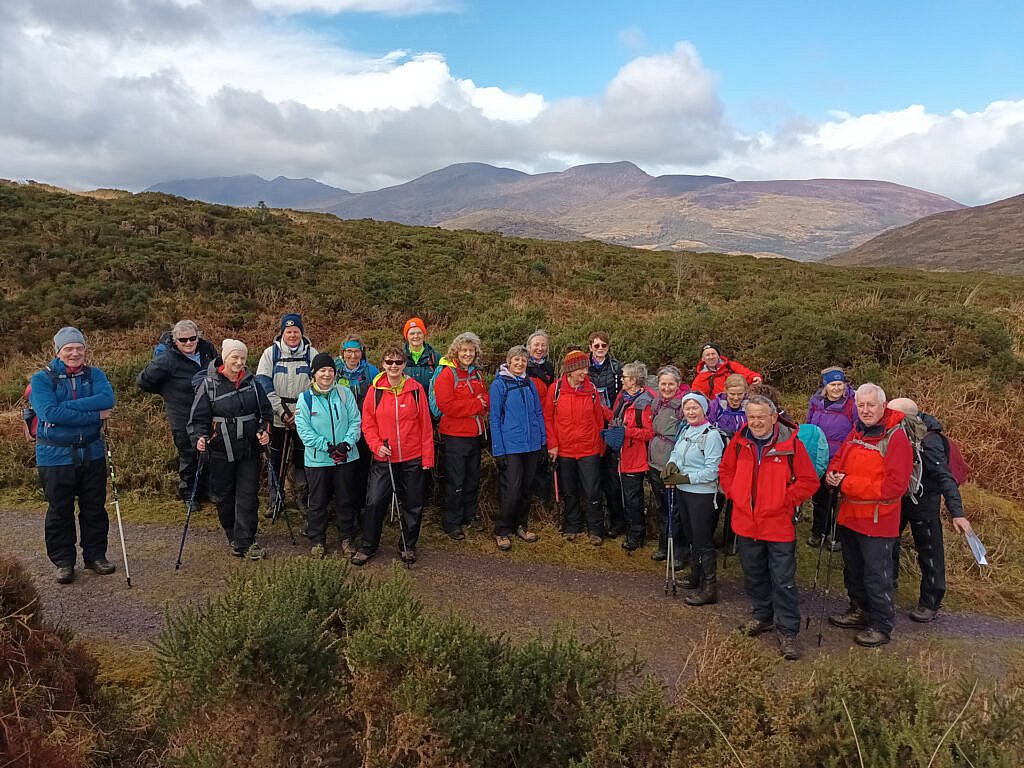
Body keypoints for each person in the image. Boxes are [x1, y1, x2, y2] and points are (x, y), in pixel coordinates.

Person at [719, 395, 820, 660]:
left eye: (761, 417)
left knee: (783, 580)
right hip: (745, 522)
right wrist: (735, 494)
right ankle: (762, 616)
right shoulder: (739, 442)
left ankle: (788, 631)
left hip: (778, 525)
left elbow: (809, 481)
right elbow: (725, 471)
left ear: (773, 417)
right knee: (754, 575)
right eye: (751, 417)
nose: (756, 422)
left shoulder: (790, 445)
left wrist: (783, 500)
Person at [825, 383, 913, 648]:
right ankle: (859, 611)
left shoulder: (896, 438)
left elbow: (894, 487)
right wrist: (832, 474)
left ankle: (881, 625)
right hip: (850, 516)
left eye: (871, 405)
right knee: (853, 571)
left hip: (878, 521)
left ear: (883, 405)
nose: (865, 410)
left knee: (877, 575)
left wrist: (846, 483)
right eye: (861, 405)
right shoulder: (856, 431)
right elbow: (840, 459)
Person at [31, 327, 116, 584]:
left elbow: (107, 399)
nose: (75, 353)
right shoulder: (41, 379)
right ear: (58, 351)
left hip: (92, 452)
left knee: (94, 507)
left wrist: (65, 407)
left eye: (79, 348)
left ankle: (95, 556)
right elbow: (50, 414)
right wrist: (93, 414)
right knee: (59, 510)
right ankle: (64, 562)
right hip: (54, 455)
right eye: (68, 348)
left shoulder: (95, 374)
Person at [887, 397, 974, 623]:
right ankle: (888, 585)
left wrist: (957, 513)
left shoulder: (929, 441)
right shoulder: (897, 432)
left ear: (905, 417)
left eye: (891, 414)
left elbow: (946, 478)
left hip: (925, 501)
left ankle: (930, 602)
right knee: (889, 541)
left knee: (929, 550)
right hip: (900, 496)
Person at [189, 339, 272, 560]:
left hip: (249, 449)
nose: (239, 362)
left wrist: (264, 430)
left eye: (242, 358)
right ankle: (232, 532)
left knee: (248, 495)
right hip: (220, 449)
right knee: (224, 495)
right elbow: (198, 419)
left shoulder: (253, 384)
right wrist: (199, 437)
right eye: (235, 357)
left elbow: (265, 413)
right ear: (225, 358)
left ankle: (245, 541)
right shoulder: (209, 385)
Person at [355, 344, 434, 565]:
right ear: (383, 364)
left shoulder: (416, 389)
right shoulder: (375, 390)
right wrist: (376, 445)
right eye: (389, 362)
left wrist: (427, 458)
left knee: (413, 504)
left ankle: (407, 545)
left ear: (404, 365)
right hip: (384, 457)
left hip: (412, 457)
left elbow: (426, 426)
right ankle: (368, 546)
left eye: (398, 362)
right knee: (374, 502)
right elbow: (367, 424)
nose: (393, 366)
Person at [136, 319, 217, 508]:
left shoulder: (208, 349)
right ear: (175, 340)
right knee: (188, 453)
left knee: (211, 449)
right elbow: (143, 381)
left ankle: (209, 490)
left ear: (198, 336)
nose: (189, 343)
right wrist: (167, 391)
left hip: (208, 410)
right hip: (182, 413)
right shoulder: (167, 359)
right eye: (183, 340)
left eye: (192, 338)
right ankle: (189, 494)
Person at [295, 353, 362, 558]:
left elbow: (356, 421)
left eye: (330, 370)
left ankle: (347, 538)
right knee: (317, 502)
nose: (327, 374)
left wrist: (346, 444)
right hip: (318, 460)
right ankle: (317, 540)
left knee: (345, 500)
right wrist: (327, 447)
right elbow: (304, 430)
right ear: (314, 374)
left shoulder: (344, 393)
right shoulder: (305, 399)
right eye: (322, 370)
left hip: (346, 457)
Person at [661, 392, 724, 606]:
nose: (690, 411)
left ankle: (709, 588)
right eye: (687, 408)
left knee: (703, 540)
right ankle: (696, 576)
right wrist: (672, 463)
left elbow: (712, 471)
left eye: (695, 407)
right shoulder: (687, 430)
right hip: (684, 491)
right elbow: (678, 454)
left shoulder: (712, 435)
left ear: (704, 409)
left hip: (703, 495)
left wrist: (686, 477)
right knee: (691, 536)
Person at [545, 349, 611, 545]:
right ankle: (572, 526)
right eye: (581, 368)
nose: (585, 372)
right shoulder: (555, 390)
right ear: (570, 370)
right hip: (564, 450)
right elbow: (548, 418)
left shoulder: (592, 391)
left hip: (588, 449)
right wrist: (553, 444)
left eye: (586, 368)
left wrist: (600, 446)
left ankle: (595, 530)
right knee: (570, 490)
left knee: (592, 491)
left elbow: (599, 420)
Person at [256, 313, 317, 513]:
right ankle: (275, 499)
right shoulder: (270, 353)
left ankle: (302, 498)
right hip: (277, 417)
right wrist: (282, 411)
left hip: (304, 418)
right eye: (288, 331)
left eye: (296, 331)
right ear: (282, 332)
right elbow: (263, 383)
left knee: (302, 458)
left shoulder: (311, 354)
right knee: (276, 458)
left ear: (301, 332)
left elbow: (318, 384)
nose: (292, 335)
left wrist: (299, 412)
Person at [433, 332, 489, 540]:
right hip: (455, 436)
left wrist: (480, 403)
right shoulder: (447, 375)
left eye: (471, 350)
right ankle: (452, 522)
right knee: (455, 480)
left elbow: (486, 397)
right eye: (464, 350)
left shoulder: (476, 374)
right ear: (456, 351)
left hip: (475, 434)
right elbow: (446, 406)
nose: (467, 354)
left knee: (472, 478)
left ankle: (469, 516)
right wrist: (476, 404)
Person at [489, 345, 545, 551]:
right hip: (511, 445)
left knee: (526, 488)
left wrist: (543, 441)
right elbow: (494, 419)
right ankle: (502, 530)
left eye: (523, 360)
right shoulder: (499, 384)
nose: (520, 364)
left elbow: (538, 413)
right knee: (512, 488)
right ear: (509, 362)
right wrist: (498, 450)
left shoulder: (529, 383)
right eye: (516, 360)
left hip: (532, 444)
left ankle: (521, 525)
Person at [806, 367, 857, 550]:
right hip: (819, 457)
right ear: (825, 386)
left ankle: (837, 536)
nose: (836, 388)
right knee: (819, 497)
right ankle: (819, 531)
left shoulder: (852, 404)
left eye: (839, 384)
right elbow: (810, 427)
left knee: (838, 499)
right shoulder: (816, 402)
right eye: (832, 384)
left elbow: (857, 430)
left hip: (841, 457)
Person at [610, 361, 655, 551]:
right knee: (623, 496)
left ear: (635, 380)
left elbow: (648, 433)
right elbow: (614, 417)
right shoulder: (623, 397)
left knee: (633, 499)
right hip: (620, 454)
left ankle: (636, 535)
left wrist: (626, 431)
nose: (621, 380)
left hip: (635, 457)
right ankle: (627, 530)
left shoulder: (643, 403)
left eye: (625, 377)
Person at [647, 366, 690, 564]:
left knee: (676, 509)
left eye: (670, 384)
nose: (666, 387)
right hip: (655, 460)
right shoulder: (656, 402)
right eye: (663, 383)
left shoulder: (683, 406)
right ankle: (664, 546)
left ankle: (680, 552)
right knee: (662, 507)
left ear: (678, 384)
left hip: (672, 462)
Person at [334, 333, 379, 511]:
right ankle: (341, 508)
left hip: (364, 430)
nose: (353, 356)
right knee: (342, 472)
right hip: (340, 430)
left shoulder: (371, 372)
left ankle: (360, 508)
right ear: (343, 352)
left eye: (357, 352)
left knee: (361, 471)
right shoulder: (335, 371)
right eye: (349, 352)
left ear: (362, 352)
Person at [587, 331, 625, 537]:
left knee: (612, 477)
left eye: (604, 345)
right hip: (591, 425)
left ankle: (617, 521)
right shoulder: (584, 368)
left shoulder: (617, 368)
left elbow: (622, 395)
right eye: (596, 346)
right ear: (590, 347)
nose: (600, 349)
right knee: (592, 476)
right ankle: (593, 521)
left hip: (611, 424)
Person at [525, 329, 555, 504]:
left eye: (543, 345)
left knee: (542, 463)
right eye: (536, 344)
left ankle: (542, 504)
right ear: (528, 347)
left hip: (544, 420)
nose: (539, 348)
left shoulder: (549, 367)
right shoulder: (521, 365)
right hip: (527, 422)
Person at [690, 343, 761, 398]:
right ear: (703, 358)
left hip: (740, 401)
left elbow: (747, 373)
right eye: (708, 355)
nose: (711, 357)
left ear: (718, 355)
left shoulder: (731, 366)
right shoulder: (700, 380)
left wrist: (755, 378)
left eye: (713, 354)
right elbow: (697, 398)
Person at [402, 316, 440, 392]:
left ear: (424, 335)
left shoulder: (434, 357)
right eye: (412, 333)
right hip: (407, 402)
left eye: (419, 333)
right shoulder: (400, 357)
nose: (416, 336)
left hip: (428, 403)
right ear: (407, 336)